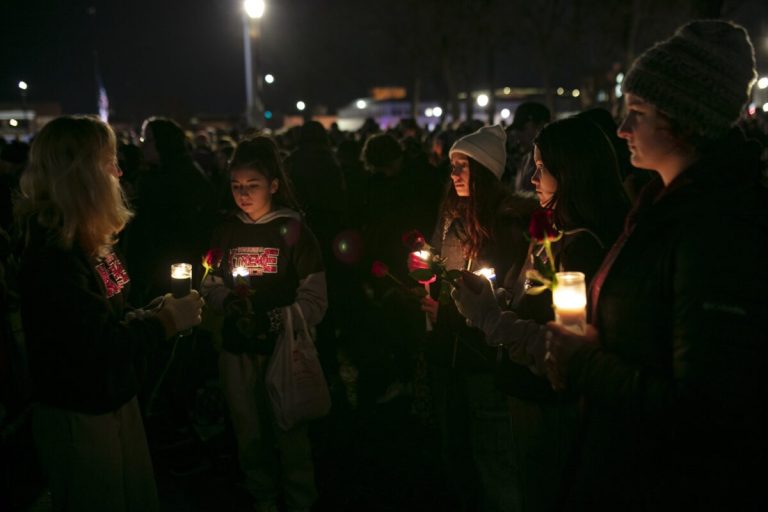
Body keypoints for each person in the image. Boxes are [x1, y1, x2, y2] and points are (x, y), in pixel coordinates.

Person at [542, 20, 767, 509]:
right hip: (626, 464)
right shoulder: (657, 210)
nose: (622, 129)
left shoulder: (716, 230)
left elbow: (704, 407)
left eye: (639, 114)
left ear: (686, 121)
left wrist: (585, 364)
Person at [13, 115, 203, 511]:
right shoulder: (54, 258)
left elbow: (109, 316)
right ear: (81, 176)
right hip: (80, 413)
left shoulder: (92, 242)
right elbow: (96, 345)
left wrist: (149, 312)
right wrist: (165, 323)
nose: (119, 172)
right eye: (109, 162)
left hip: (115, 398)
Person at [451, 116, 629, 511]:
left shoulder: (579, 248)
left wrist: (489, 316)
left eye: (541, 167)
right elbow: (530, 306)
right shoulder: (553, 234)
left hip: (549, 404)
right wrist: (496, 299)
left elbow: (560, 347)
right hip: (527, 393)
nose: (531, 178)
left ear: (570, 172)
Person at [413, 124, 537, 511]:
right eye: (452, 165)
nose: (453, 174)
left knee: (493, 453)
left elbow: (509, 296)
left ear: (484, 170)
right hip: (446, 352)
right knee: (455, 448)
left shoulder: (508, 225)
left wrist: (464, 312)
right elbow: (440, 269)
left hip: (484, 356)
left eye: (462, 166)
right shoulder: (450, 215)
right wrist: (427, 279)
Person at [201, 136, 327, 512]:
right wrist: (227, 302)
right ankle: (264, 498)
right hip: (238, 350)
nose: (243, 194)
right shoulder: (226, 231)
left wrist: (276, 319)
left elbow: (315, 298)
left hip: (283, 351)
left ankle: (301, 499)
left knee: (290, 433)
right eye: (236, 186)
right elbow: (209, 283)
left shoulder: (294, 230)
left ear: (273, 185)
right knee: (249, 432)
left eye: (252, 185)